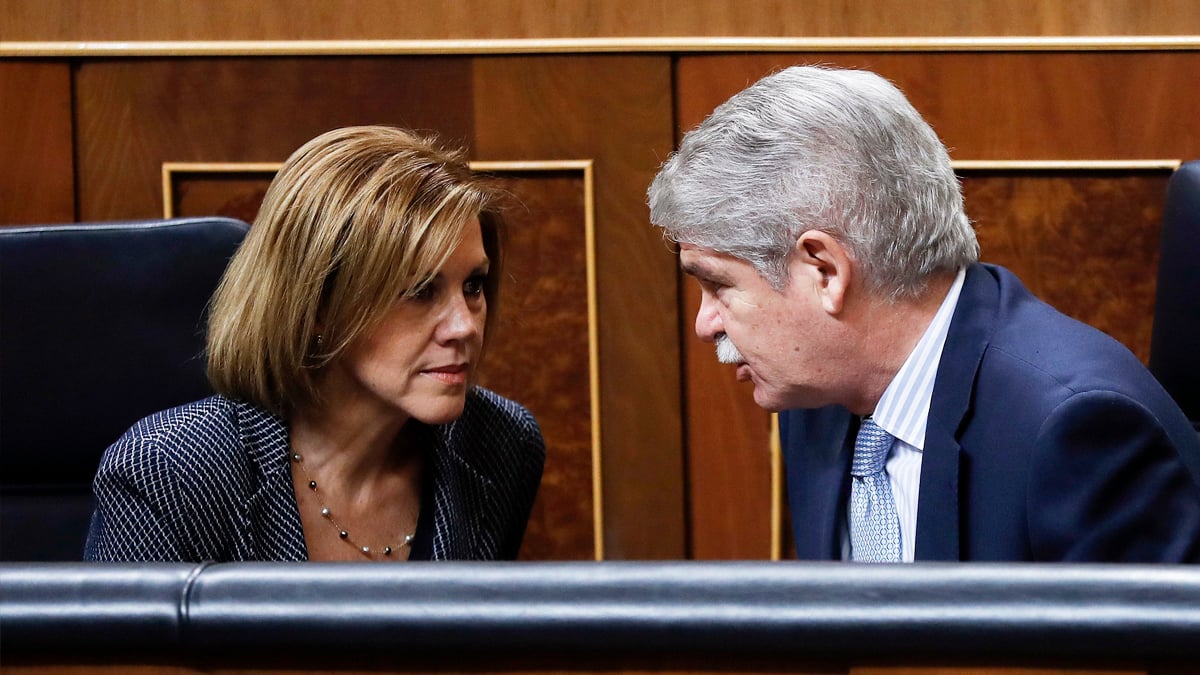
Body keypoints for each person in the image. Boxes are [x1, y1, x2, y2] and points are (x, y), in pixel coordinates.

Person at [647, 65, 1200, 562]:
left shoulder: (1076, 429)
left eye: (718, 285)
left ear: (825, 272)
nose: (705, 323)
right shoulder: (818, 388)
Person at [86, 126, 545, 562]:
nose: (464, 326)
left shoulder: (501, 444)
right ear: (317, 307)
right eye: (421, 290)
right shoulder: (169, 472)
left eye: (474, 285)